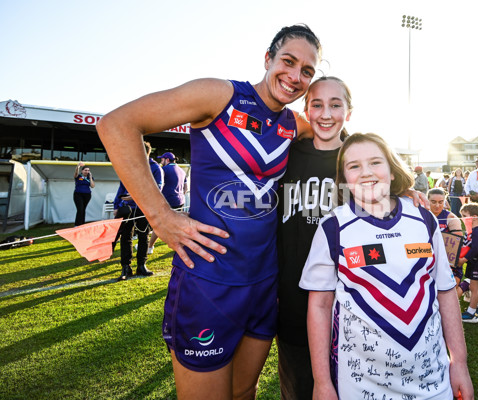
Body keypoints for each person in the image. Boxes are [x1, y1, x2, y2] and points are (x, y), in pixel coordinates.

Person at [97, 24, 322, 399]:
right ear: (267, 59)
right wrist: (162, 217)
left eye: (307, 71)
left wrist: (397, 183)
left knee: (244, 392)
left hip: (266, 282)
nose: (295, 76)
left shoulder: (293, 125)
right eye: (288, 61)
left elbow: (347, 147)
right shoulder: (219, 95)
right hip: (208, 281)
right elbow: (117, 125)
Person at [300, 133, 473, 399]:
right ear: (344, 178)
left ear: (392, 171)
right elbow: (320, 306)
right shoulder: (333, 227)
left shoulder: (423, 218)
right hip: (359, 386)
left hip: (432, 380)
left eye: (375, 162)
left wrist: (458, 362)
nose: (366, 172)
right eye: (354, 166)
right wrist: (321, 381)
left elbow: (446, 290)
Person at [276, 76, 351, 400]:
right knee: (301, 391)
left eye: (336, 104)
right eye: (317, 104)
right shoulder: (286, 155)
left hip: (352, 308)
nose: (325, 114)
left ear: (349, 111)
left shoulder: (358, 160)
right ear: (305, 109)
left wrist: (407, 190)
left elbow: (391, 184)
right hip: (294, 303)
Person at [113, 141, 163, 280]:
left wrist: (135, 197)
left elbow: (157, 190)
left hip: (144, 208)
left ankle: (142, 265)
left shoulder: (155, 168)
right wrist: (116, 206)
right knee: (125, 237)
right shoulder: (128, 166)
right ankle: (126, 268)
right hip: (127, 208)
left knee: (143, 236)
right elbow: (121, 188)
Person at [147, 152, 188, 254]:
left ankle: (149, 247)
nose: (161, 162)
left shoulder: (163, 170)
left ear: (167, 160)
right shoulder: (182, 171)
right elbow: (185, 188)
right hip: (180, 201)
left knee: (159, 225)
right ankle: (182, 246)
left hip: (168, 202)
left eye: (162, 160)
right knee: (176, 226)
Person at [457, 203, 478, 323]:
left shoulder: (477, 232)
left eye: (464, 215)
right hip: (475, 263)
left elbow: (475, 249)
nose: (462, 218)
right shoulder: (473, 231)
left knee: (474, 288)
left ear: (474, 217)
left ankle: (471, 313)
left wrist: (463, 260)